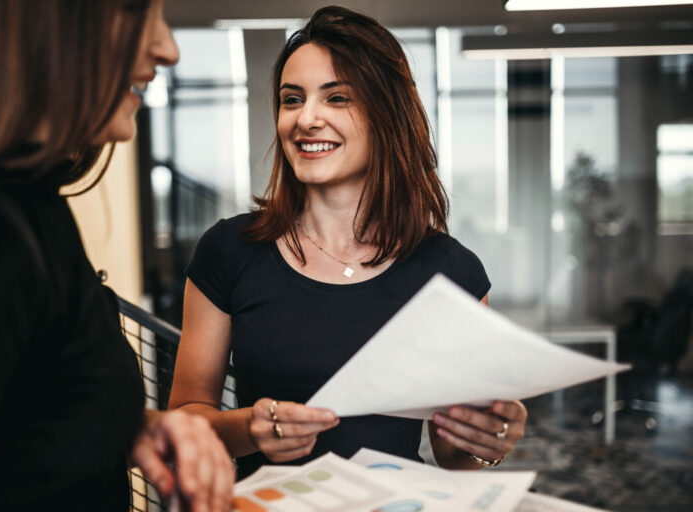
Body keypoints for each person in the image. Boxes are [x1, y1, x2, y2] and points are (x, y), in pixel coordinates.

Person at [168, 5, 528, 480]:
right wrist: (248, 429)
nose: (306, 119)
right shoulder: (229, 251)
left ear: (386, 115)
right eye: (292, 99)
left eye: (337, 98)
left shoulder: (450, 272)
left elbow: (453, 453)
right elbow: (185, 416)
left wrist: (490, 439)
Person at [0, 1, 234, 510]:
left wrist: (116, 427)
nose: (168, 48)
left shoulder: (33, 200)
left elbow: (20, 410)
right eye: (135, 10)